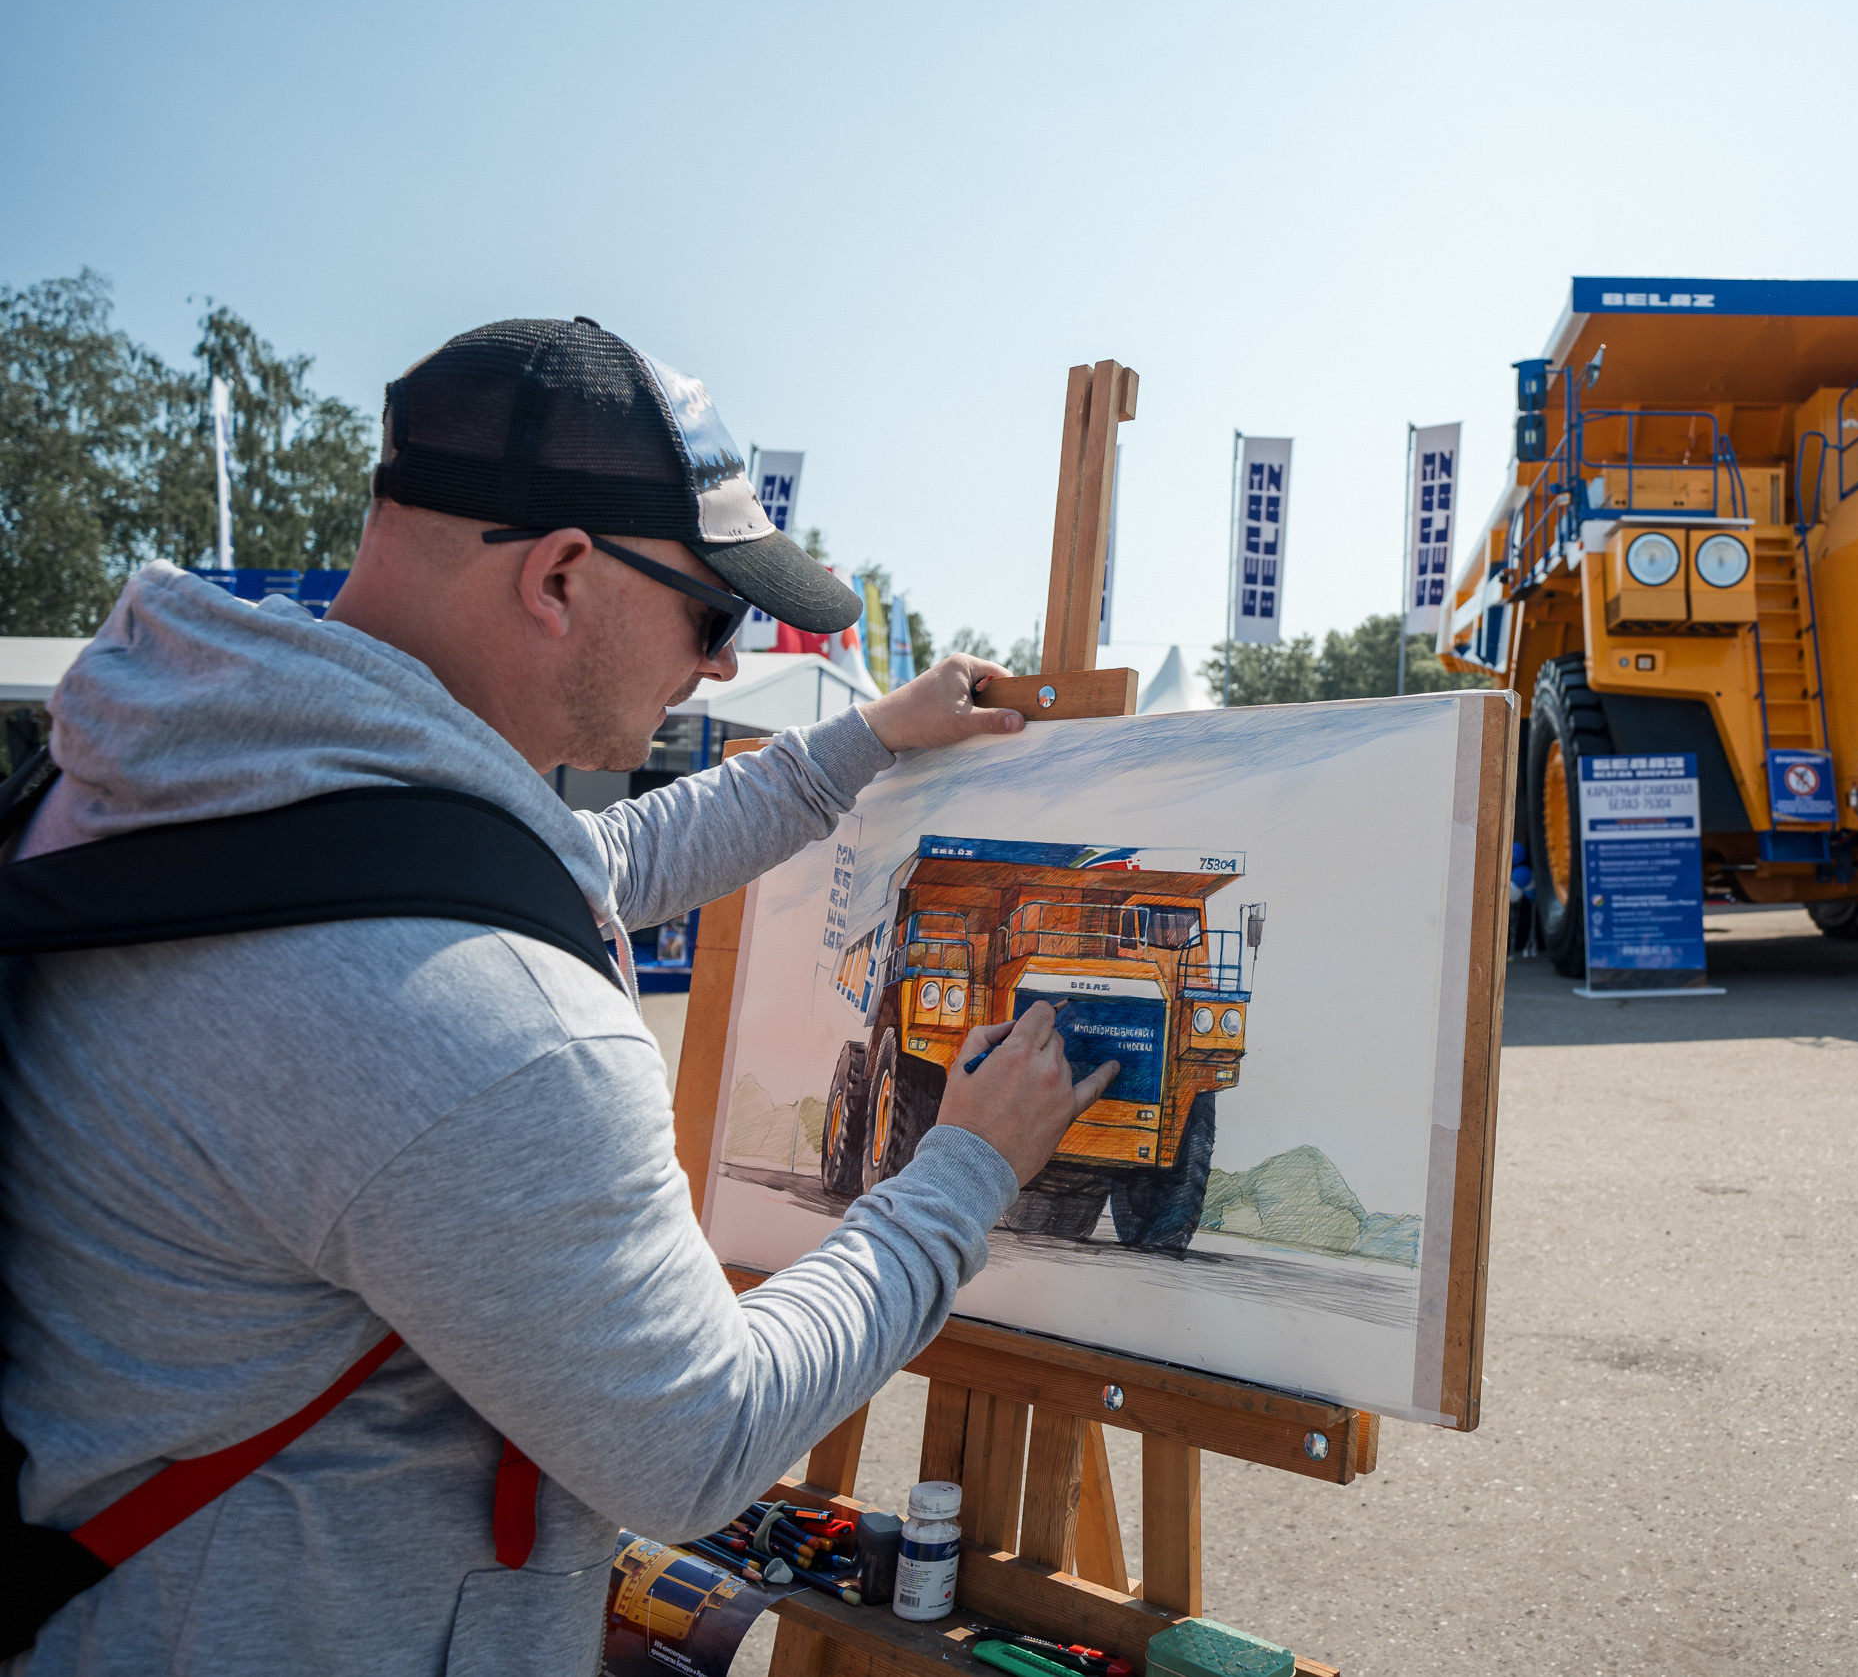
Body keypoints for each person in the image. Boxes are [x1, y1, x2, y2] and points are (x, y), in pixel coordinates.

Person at [0, 318, 1115, 1674]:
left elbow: (591, 860)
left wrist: (864, 741)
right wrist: (967, 1169)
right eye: (712, 612)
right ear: (563, 575)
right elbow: (698, 1433)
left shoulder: (174, 786)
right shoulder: (483, 1024)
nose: (720, 662)